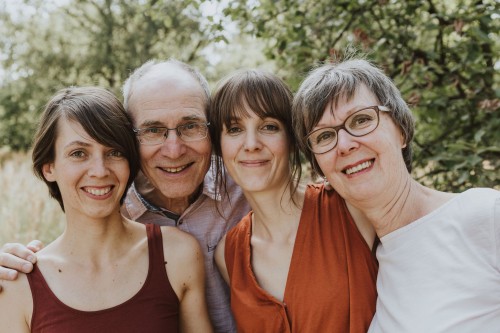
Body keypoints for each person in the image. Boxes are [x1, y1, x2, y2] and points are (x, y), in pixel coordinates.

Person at [0, 60, 250, 332]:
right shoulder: (106, 205)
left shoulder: (249, 187)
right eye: (153, 130)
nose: (174, 150)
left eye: (190, 126)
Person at [292, 57, 500, 332]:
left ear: (401, 130)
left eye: (361, 119)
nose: (344, 145)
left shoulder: (485, 215)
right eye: (324, 137)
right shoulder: (363, 266)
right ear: (320, 170)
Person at [209, 69, 378, 332]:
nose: (251, 143)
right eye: (234, 129)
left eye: (269, 127)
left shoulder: (349, 207)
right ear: (219, 146)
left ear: (292, 139)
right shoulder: (228, 254)